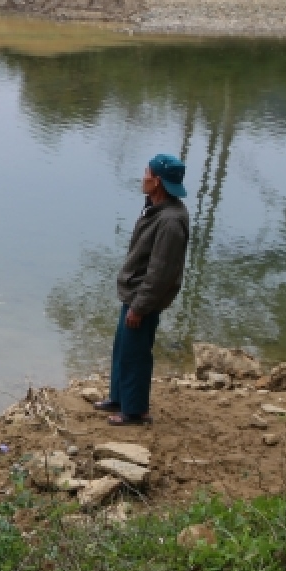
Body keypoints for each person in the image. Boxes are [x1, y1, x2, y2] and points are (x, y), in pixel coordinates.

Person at [95, 153, 190, 427]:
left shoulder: (170, 221)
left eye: (146, 173)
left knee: (136, 352)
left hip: (143, 298)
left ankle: (134, 411)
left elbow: (161, 273)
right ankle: (118, 397)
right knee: (123, 348)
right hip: (134, 293)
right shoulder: (155, 207)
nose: (143, 177)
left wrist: (140, 306)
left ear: (157, 182)